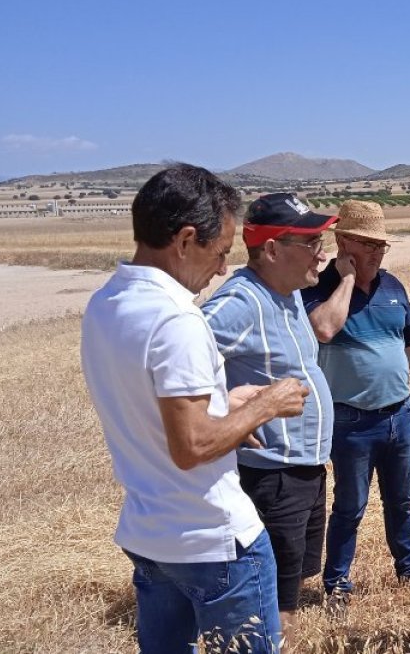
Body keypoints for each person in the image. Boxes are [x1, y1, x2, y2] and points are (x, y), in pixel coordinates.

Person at [80, 164, 309, 653]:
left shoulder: (106, 303)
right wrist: (266, 404)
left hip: (150, 537)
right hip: (213, 540)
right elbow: (191, 446)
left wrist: (229, 404)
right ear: (185, 240)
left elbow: (151, 409)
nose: (223, 269)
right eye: (220, 252)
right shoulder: (177, 320)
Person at [203, 192, 338, 640]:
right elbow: (176, 351)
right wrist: (222, 408)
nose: (323, 255)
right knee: (272, 601)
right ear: (272, 249)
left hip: (305, 469)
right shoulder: (242, 300)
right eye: (312, 243)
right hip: (273, 476)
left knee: (292, 586)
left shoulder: (290, 293)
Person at [302, 200, 410, 610]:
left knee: (401, 500)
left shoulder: (394, 288)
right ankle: (337, 585)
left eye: (381, 245)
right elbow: (323, 330)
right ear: (342, 242)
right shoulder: (316, 288)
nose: (377, 253)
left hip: (398, 416)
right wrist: (345, 280)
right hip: (350, 420)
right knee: (350, 505)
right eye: (367, 244)